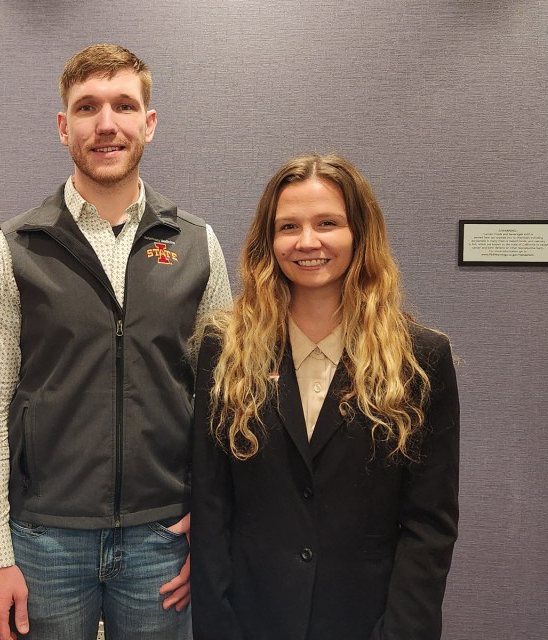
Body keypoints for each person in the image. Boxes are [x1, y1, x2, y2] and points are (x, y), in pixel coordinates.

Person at [0, 44, 232, 640]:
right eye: (87, 107)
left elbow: (226, 398)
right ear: (64, 127)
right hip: (43, 540)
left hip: (163, 537)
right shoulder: (17, 247)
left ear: (149, 123)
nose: (106, 124)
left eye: (123, 105)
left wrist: (214, 521)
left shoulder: (195, 244)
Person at [191, 153, 460, 640]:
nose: (307, 241)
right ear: (268, 242)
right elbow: (210, 507)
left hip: (368, 621)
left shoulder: (421, 359)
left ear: (360, 233)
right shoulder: (225, 349)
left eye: (327, 223)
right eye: (288, 225)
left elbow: (429, 527)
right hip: (251, 619)